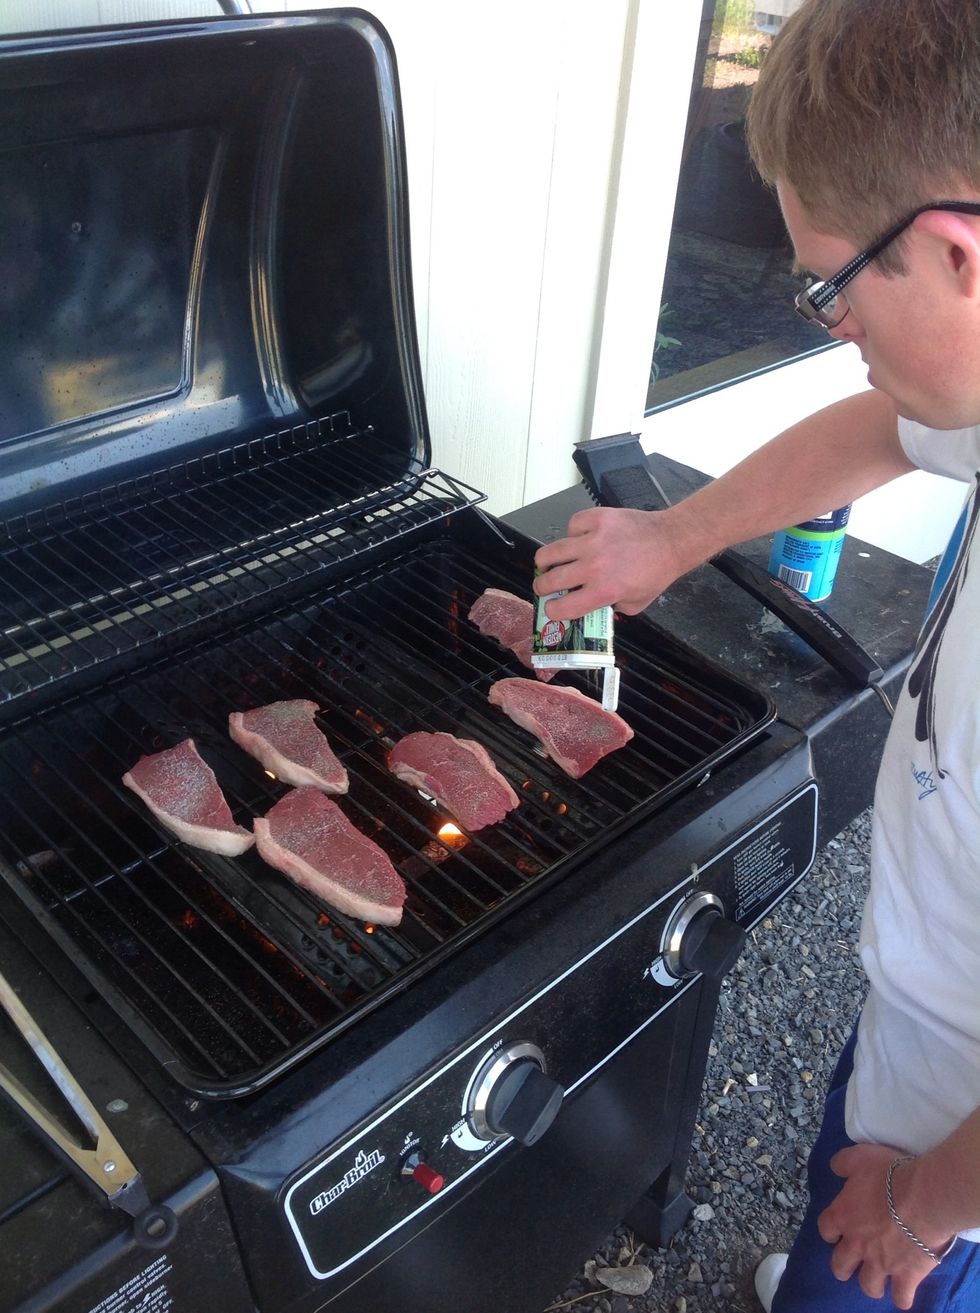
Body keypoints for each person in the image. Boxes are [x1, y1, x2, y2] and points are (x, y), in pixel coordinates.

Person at [533, 1, 980, 1309]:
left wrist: (916, 1206)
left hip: (952, 1153)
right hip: (925, 1027)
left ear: (956, 252)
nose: (830, 321)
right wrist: (673, 538)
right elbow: (886, 428)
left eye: (834, 286)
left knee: (853, 1267)